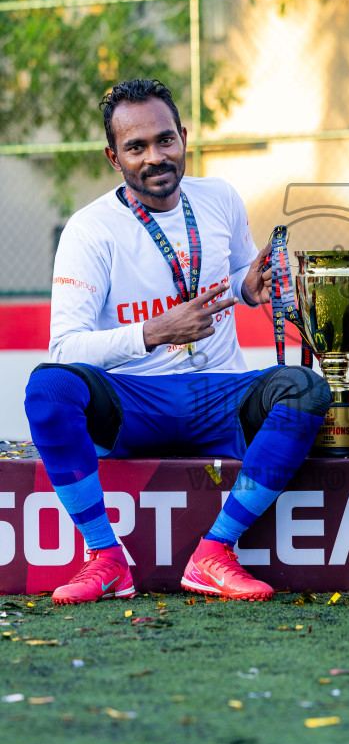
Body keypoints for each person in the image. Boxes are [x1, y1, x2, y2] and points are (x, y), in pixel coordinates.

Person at [24, 79, 330, 604]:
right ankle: (105, 556)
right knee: (49, 389)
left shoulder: (221, 199)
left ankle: (215, 551)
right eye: (136, 147)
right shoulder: (89, 230)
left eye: (165, 140)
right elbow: (66, 349)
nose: (155, 157)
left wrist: (248, 287)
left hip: (220, 395)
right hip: (134, 403)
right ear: (113, 157)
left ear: (184, 136)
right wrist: (152, 333)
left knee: (306, 389)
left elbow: (235, 277)